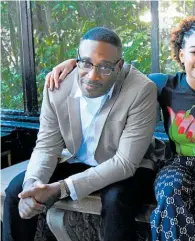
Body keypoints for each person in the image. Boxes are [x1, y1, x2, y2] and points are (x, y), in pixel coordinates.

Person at [44, 17, 195, 241]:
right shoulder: (163, 84)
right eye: (194, 52)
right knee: (170, 193)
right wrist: (75, 64)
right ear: (182, 55)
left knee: (184, 205)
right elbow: (114, 69)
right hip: (177, 163)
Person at [2, 27, 164, 241]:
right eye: (86, 63)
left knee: (117, 200)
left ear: (120, 65)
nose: (93, 75)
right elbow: (47, 145)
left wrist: (61, 189)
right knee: (17, 191)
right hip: (77, 157)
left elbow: (125, 162)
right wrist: (33, 184)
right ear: (77, 59)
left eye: (105, 67)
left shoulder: (142, 89)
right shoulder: (57, 84)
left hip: (127, 164)